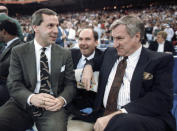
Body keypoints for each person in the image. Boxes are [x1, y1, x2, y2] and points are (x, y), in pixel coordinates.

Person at [82, 15, 176, 131]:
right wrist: (88, 66)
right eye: (113, 38)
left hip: (142, 118)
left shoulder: (159, 60)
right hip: (103, 114)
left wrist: (120, 113)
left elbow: (162, 98)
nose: (115, 44)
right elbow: (95, 61)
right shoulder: (110, 53)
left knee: (124, 122)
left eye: (120, 39)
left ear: (137, 36)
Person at [0, 8, 76, 131]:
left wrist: (61, 100)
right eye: (50, 26)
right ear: (35, 27)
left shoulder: (65, 53)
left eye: (57, 26)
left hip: (52, 106)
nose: (56, 31)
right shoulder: (19, 51)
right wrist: (31, 98)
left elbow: (70, 84)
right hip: (22, 103)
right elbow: (14, 83)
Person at [68, 28, 103, 121]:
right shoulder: (70, 54)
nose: (83, 43)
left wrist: (89, 66)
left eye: (87, 39)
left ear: (96, 42)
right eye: (80, 39)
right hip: (69, 103)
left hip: (93, 109)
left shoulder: (104, 57)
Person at [0, 19, 22, 106]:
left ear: (4, 32)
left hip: (9, 87)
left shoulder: (20, 47)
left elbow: (4, 67)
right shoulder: (6, 46)